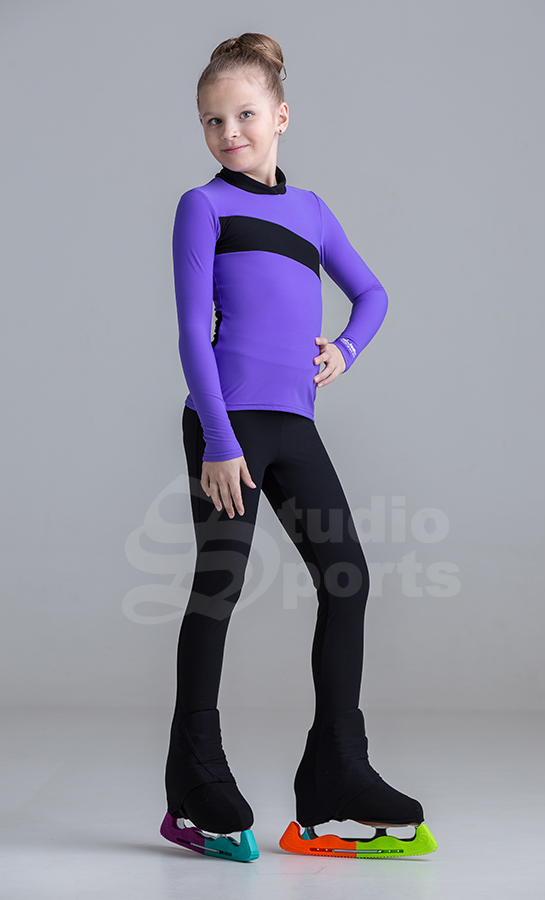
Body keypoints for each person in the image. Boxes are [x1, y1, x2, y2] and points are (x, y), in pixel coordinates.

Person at [160, 32, 436, 861]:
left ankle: (335, 775)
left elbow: (372, 293)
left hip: (295, 424)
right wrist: (217, 439)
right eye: (213, 121)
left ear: (280, 116)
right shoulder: (202, 206)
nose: (229, 132)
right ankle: (194, 779)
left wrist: (344, 349)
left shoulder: (310, 211)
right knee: (220, 587)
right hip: (228, 426)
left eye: (245, 115)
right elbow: (191, 332)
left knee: (347, 580)